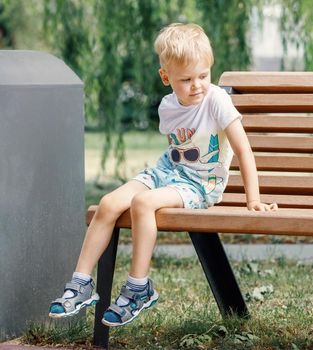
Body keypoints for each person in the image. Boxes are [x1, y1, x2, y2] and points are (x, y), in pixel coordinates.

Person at [49, 23, 278, 327]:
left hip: (201, 184)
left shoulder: (217, 100)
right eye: (186, 79)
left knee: (143, 203)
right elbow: (176, 151)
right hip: (167, 171)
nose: (197, 85)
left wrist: (254, 200)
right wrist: (162, 176)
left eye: (203, 76)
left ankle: (138, 288)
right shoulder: (167, 106)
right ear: (166, 77)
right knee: (107, 203)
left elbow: (243, 149)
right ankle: (80, 285)